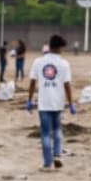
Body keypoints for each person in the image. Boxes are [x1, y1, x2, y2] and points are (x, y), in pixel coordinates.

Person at [30, 35, 75, 171]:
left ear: (49, 46)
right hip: (58, 102)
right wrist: (71, 103)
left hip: (44, 102)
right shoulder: (64, 63)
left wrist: (29, 99)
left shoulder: (38, 61)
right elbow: (67, 85)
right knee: (57, 130)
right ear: (60, 47)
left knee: (45, 133)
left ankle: (47, 163)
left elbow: (32, 82)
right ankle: (57, 155)